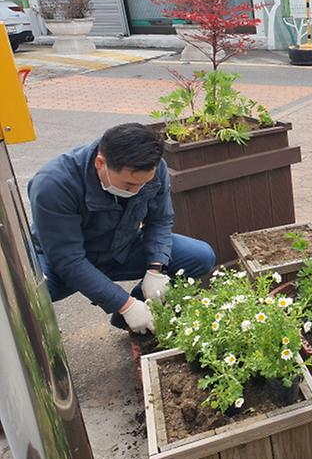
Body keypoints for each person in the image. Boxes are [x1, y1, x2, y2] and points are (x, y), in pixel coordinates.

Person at [28, 123, 216, 334]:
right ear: (101, 163)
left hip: (120, 247)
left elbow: (160, 220)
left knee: (199, 256)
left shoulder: (153, 167)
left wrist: (156, 268)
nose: (137, 191)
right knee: (30, 295)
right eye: (128, 185)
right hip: (60, 260)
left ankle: (133, 317)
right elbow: (68, 260)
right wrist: (124, 303)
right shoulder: (54, 185)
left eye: (143, 185)